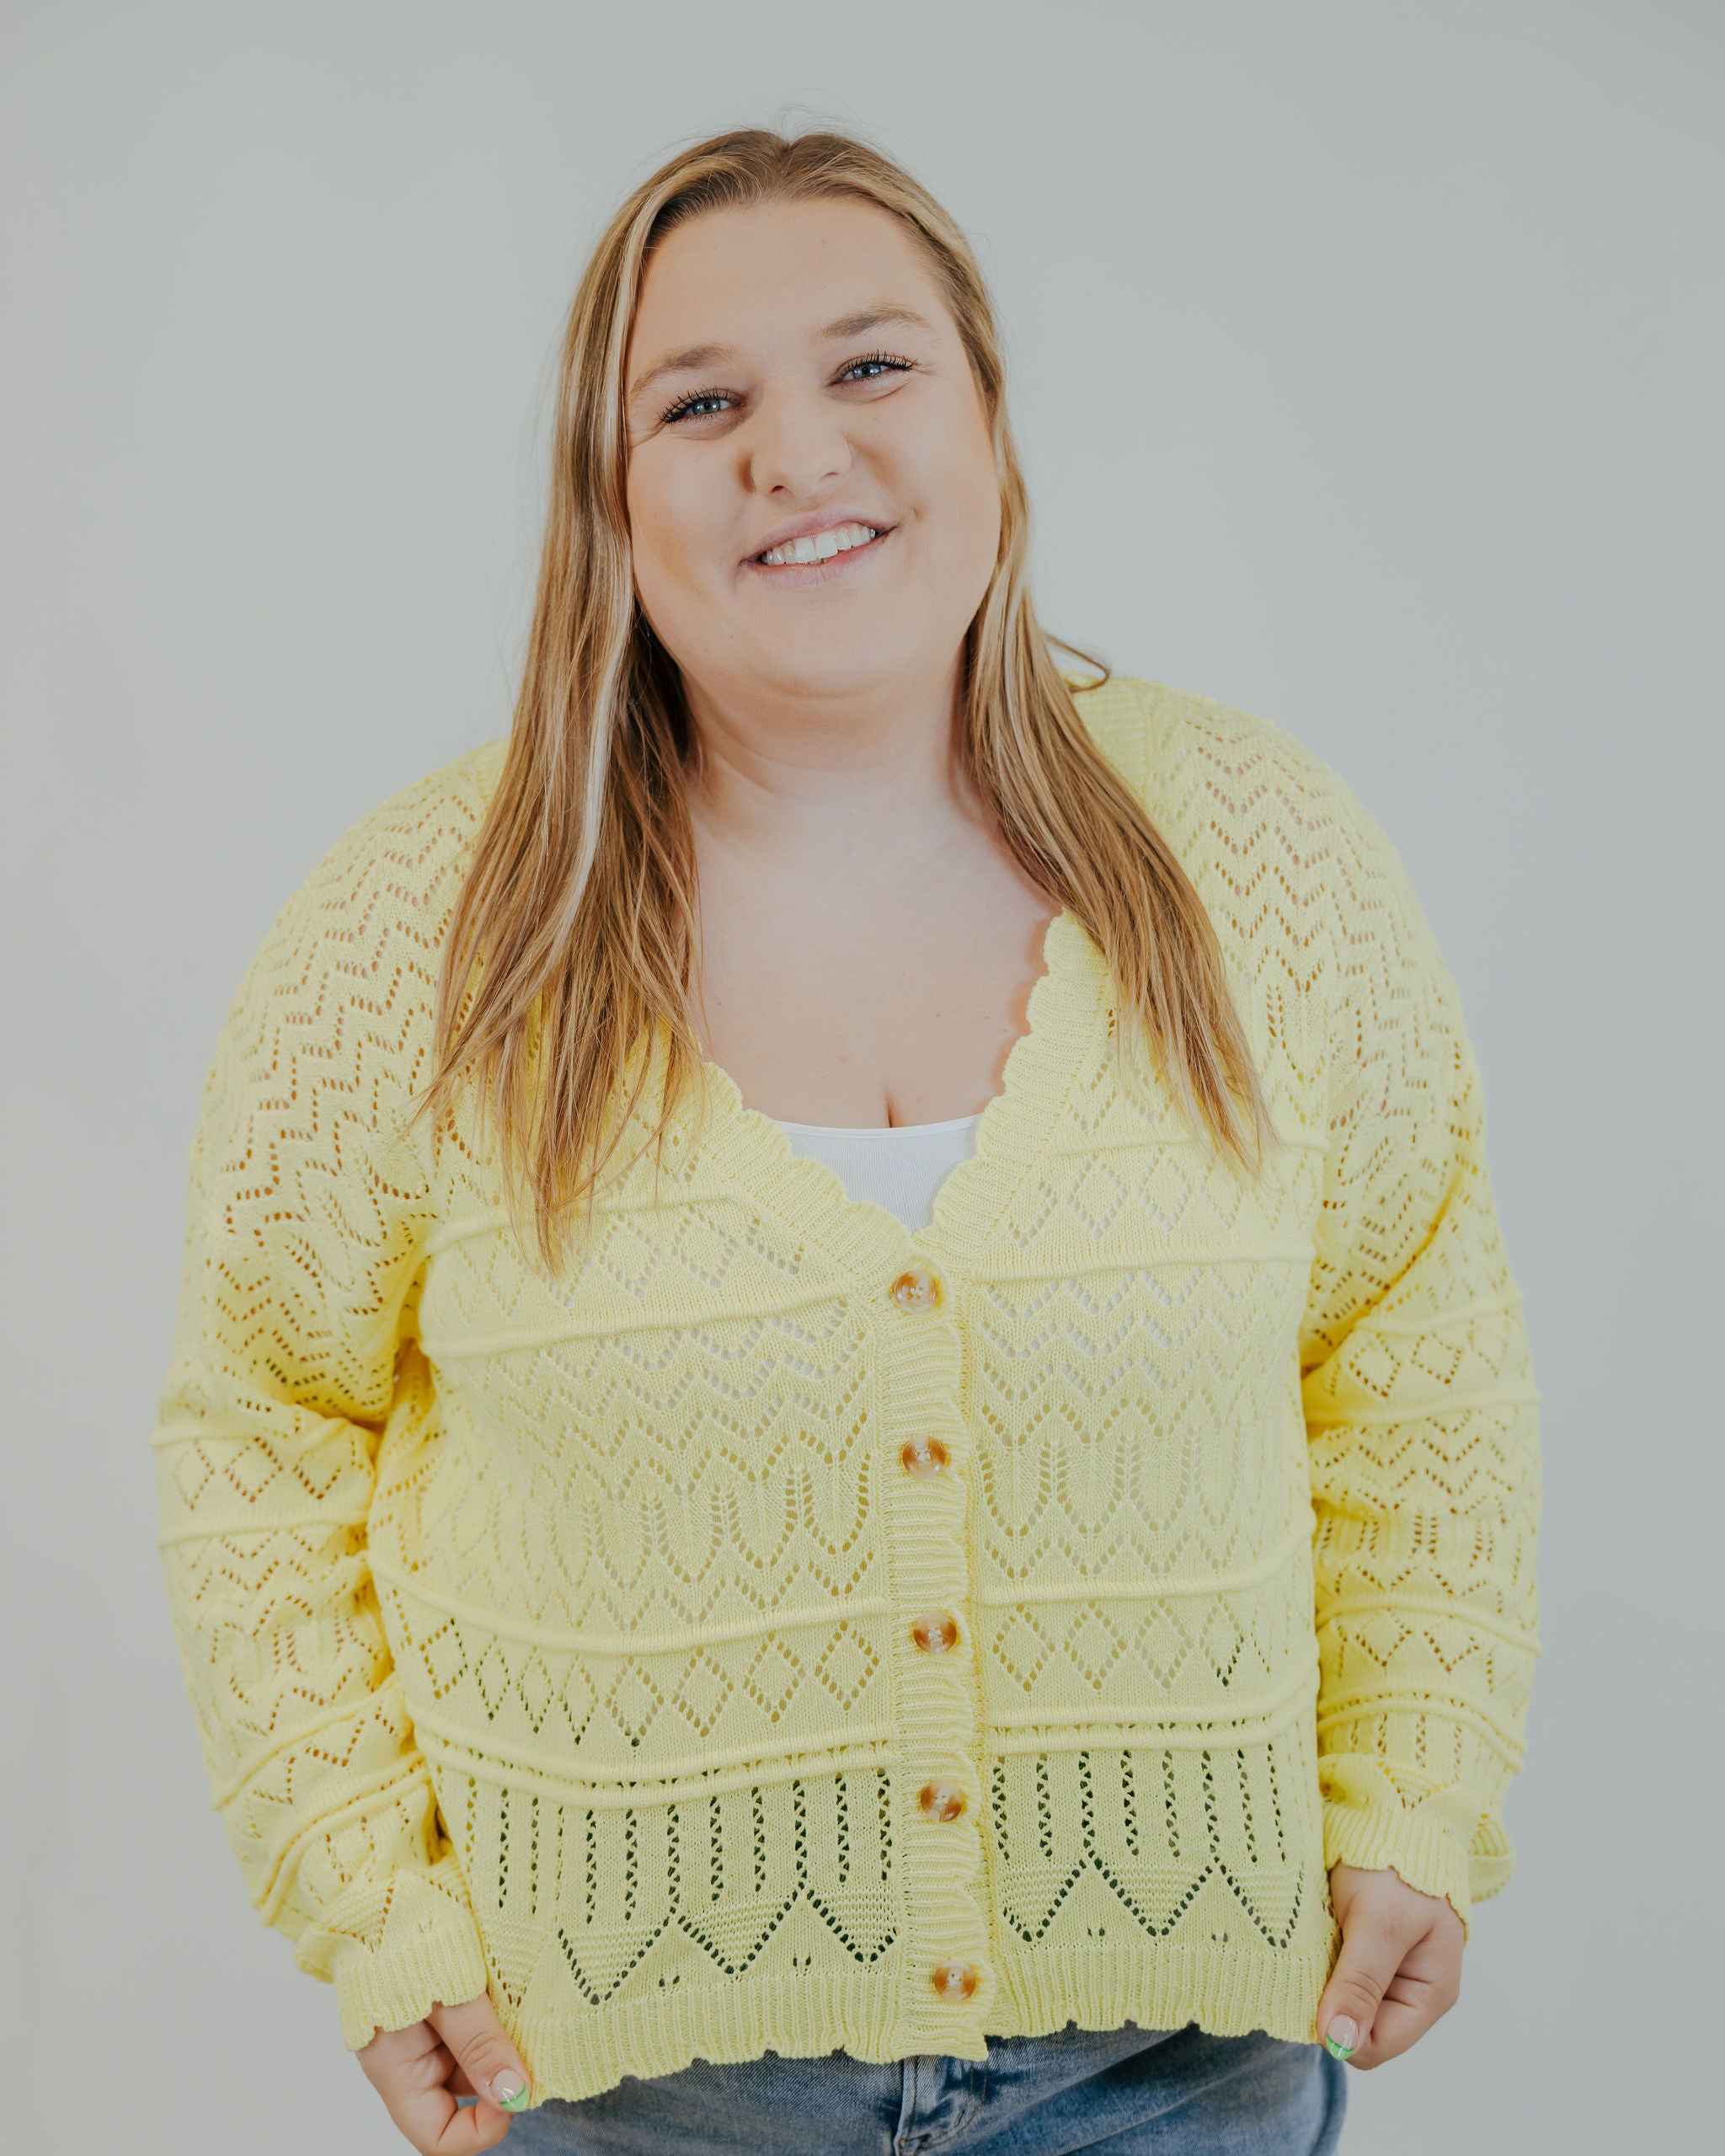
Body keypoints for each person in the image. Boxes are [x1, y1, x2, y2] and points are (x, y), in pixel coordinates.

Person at [149, 125, 1542, 2155]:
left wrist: (1414, 1780)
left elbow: (1416, 1356)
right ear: (610, 495)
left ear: (990, 420)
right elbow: (260, 1432)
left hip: (1185, 2070)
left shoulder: (1264, 855)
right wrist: (371, 1903)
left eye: (871, 365)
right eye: (699, 403)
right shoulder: (418, 933)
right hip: (625, 2090)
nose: (796, 453)